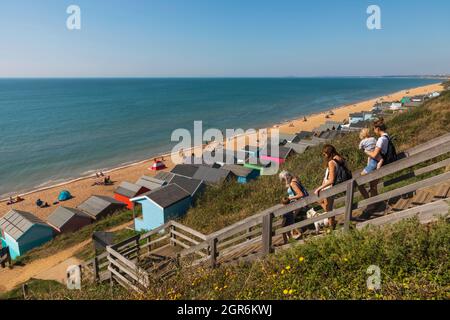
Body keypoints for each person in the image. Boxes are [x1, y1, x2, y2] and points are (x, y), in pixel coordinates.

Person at [314, 145, 350, 229]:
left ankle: (332, 226)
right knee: (323, 203)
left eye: (325, 154)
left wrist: (319, 188)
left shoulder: (331, 162)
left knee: (328, 207)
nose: (324, 156)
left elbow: (331, 180)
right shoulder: (341, 158)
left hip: (329, 187)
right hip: (334, 185)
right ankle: (332, 222)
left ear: (328, 153)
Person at [279, 170, 309, 243]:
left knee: (287, 222)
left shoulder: (292, 183)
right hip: (297, 204)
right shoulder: (295, 179)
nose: (283, 181)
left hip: (297, 205)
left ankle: (291, 240)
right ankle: (293, 238)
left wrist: (289, 198)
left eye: (283, 179)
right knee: (291, 222)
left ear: (286, 178)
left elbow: (300, 194)